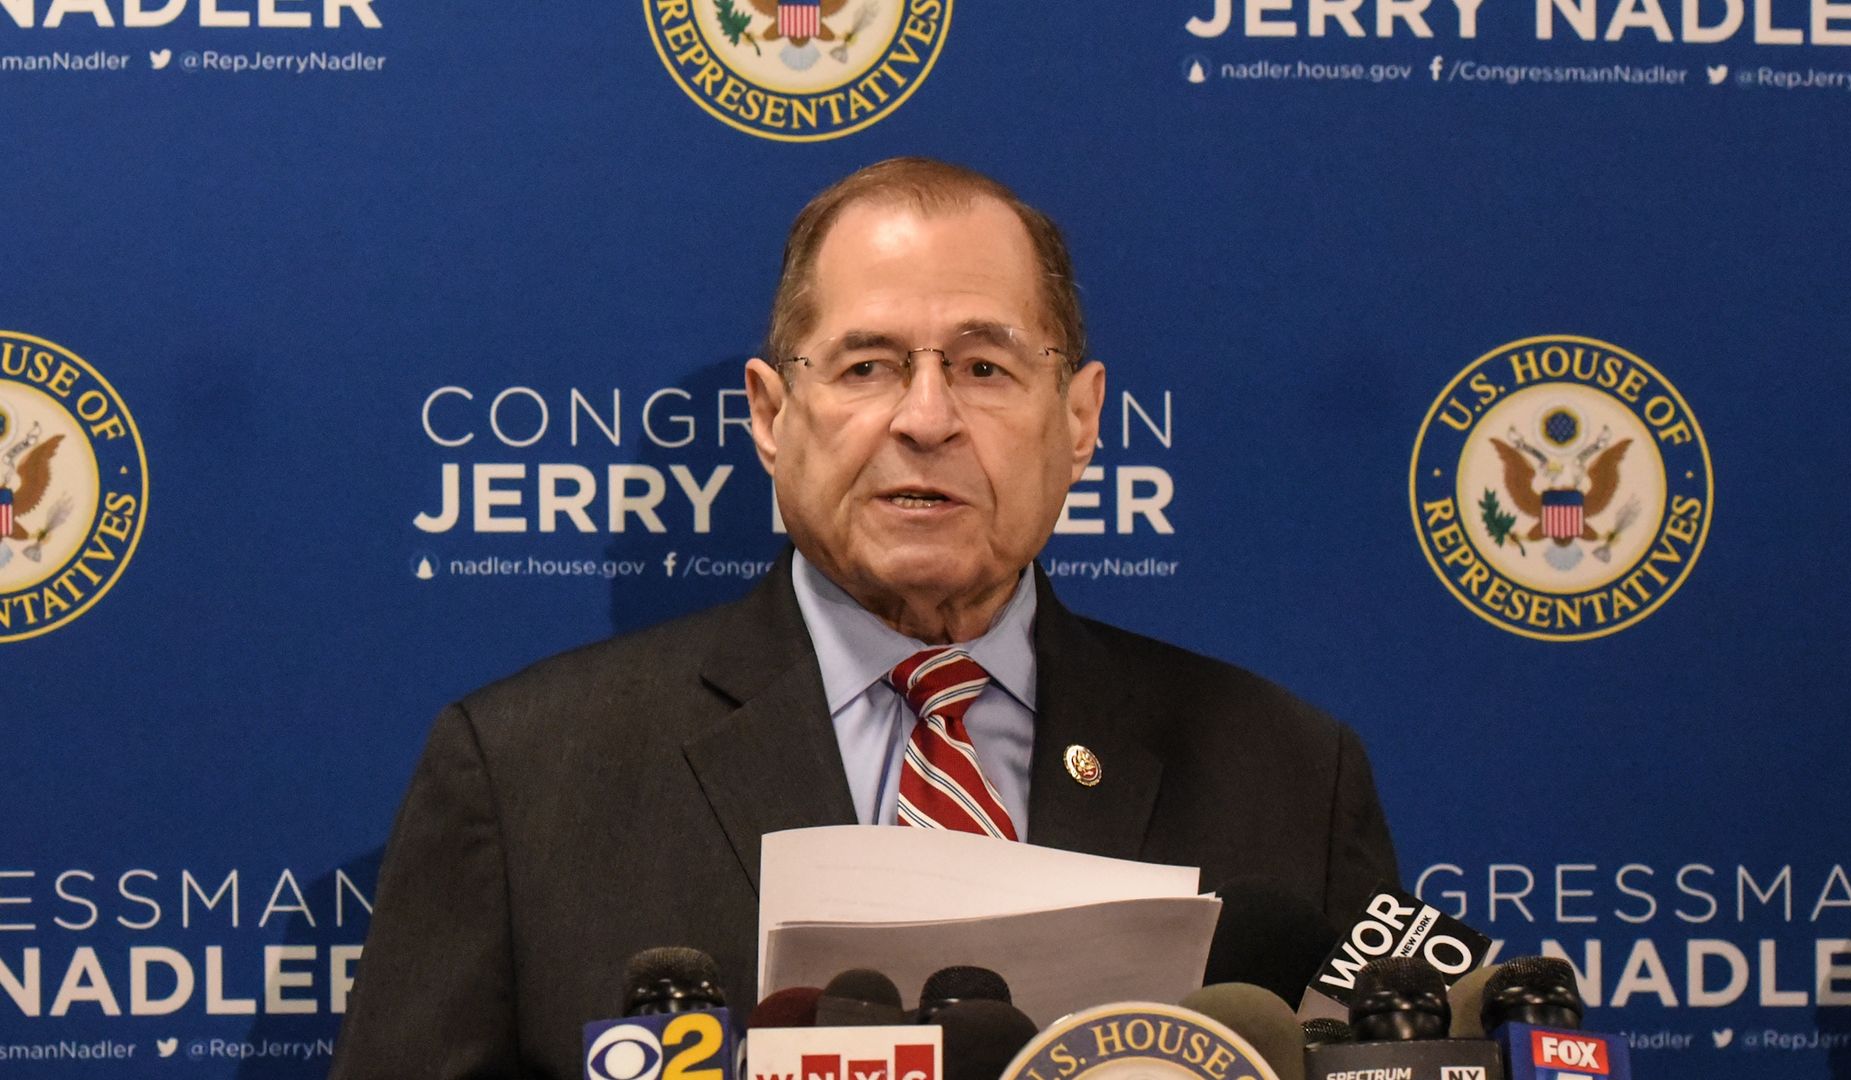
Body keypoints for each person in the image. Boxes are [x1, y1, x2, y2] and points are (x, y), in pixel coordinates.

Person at [330, 158, 1397, 1078]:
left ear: (1078, 423)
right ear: (771, 415)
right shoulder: (525, 781)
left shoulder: (1290, 776)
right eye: (868, 366)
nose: (926, 419)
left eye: (984, 367)